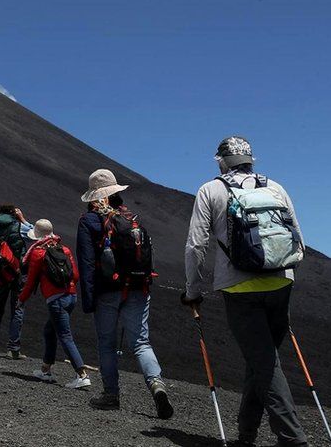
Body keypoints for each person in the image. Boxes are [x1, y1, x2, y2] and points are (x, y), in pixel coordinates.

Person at [182, 136, 308, 447]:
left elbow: (196, 245)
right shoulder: (275, 188)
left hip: (239, 287)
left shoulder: (210, 190)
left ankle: (293, 439)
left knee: (264, 362)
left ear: (221, 161)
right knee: (262, 359)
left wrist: (193, 290)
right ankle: (246, 436)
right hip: (281, 281)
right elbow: (299, 240)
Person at [77, 168, 173, 419]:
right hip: (138, 288)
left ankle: (111, 395)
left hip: (106, 292)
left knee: (106, 345)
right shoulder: (131, 219)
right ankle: (157, 385)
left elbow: (87, 263)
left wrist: (88, 300)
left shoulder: (89, 221)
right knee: (141, 342)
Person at [17, 219, 91, 389]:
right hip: (71, 296)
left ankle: (82, 374)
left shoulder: (38, 253)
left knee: (65, 335)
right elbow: (76, 275)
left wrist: (21, 300)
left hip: (56, 300)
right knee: (50, 331)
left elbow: (30, 282)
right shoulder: (64, 249)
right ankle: (46, 370)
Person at [0, 204, 32, 360]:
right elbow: (35, 234)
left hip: (0, 273)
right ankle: (13, 349)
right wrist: (22, 218)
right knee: (17, 309)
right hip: (18, 272)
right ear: (13, 213)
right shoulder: (19, 226)